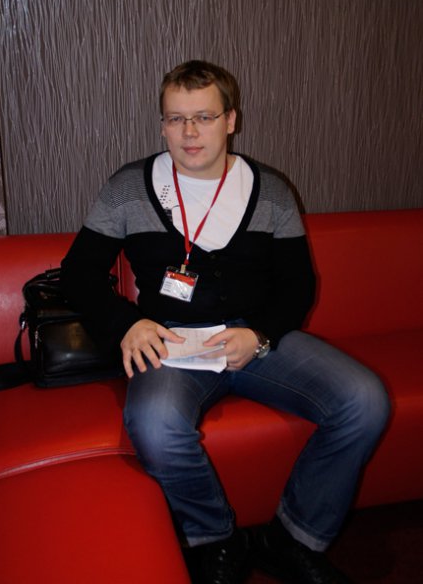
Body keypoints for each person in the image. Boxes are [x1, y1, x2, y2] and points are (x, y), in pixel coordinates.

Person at [60, 60, 390, 584]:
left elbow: (298, 285)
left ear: (231, 120)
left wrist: (259, 335)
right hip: (169, 340)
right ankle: (216, 540)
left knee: (364, 400)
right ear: (162, 125)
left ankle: (294, 538)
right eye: (176, 119)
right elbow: (77, 274)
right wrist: (126, 324)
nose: (189, 132)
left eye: (204, 117)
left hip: (255, 339)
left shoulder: (272, 190)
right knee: (154, 426)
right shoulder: (128, 188)